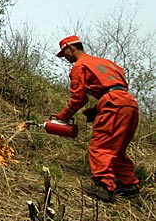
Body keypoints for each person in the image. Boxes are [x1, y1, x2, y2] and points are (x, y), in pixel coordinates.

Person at [51, 35, 140, 202]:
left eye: (65, 54)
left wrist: (63, 117)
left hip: (113, 104)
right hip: (130, 104)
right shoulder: (107, 63)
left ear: (71, 48)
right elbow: (116, 87)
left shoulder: (80, 66)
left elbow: (79, 98)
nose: (66, 58)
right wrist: (97, 109)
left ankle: (104, 187)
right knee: (117, 148)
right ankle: (129, 186)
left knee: (100, 146)